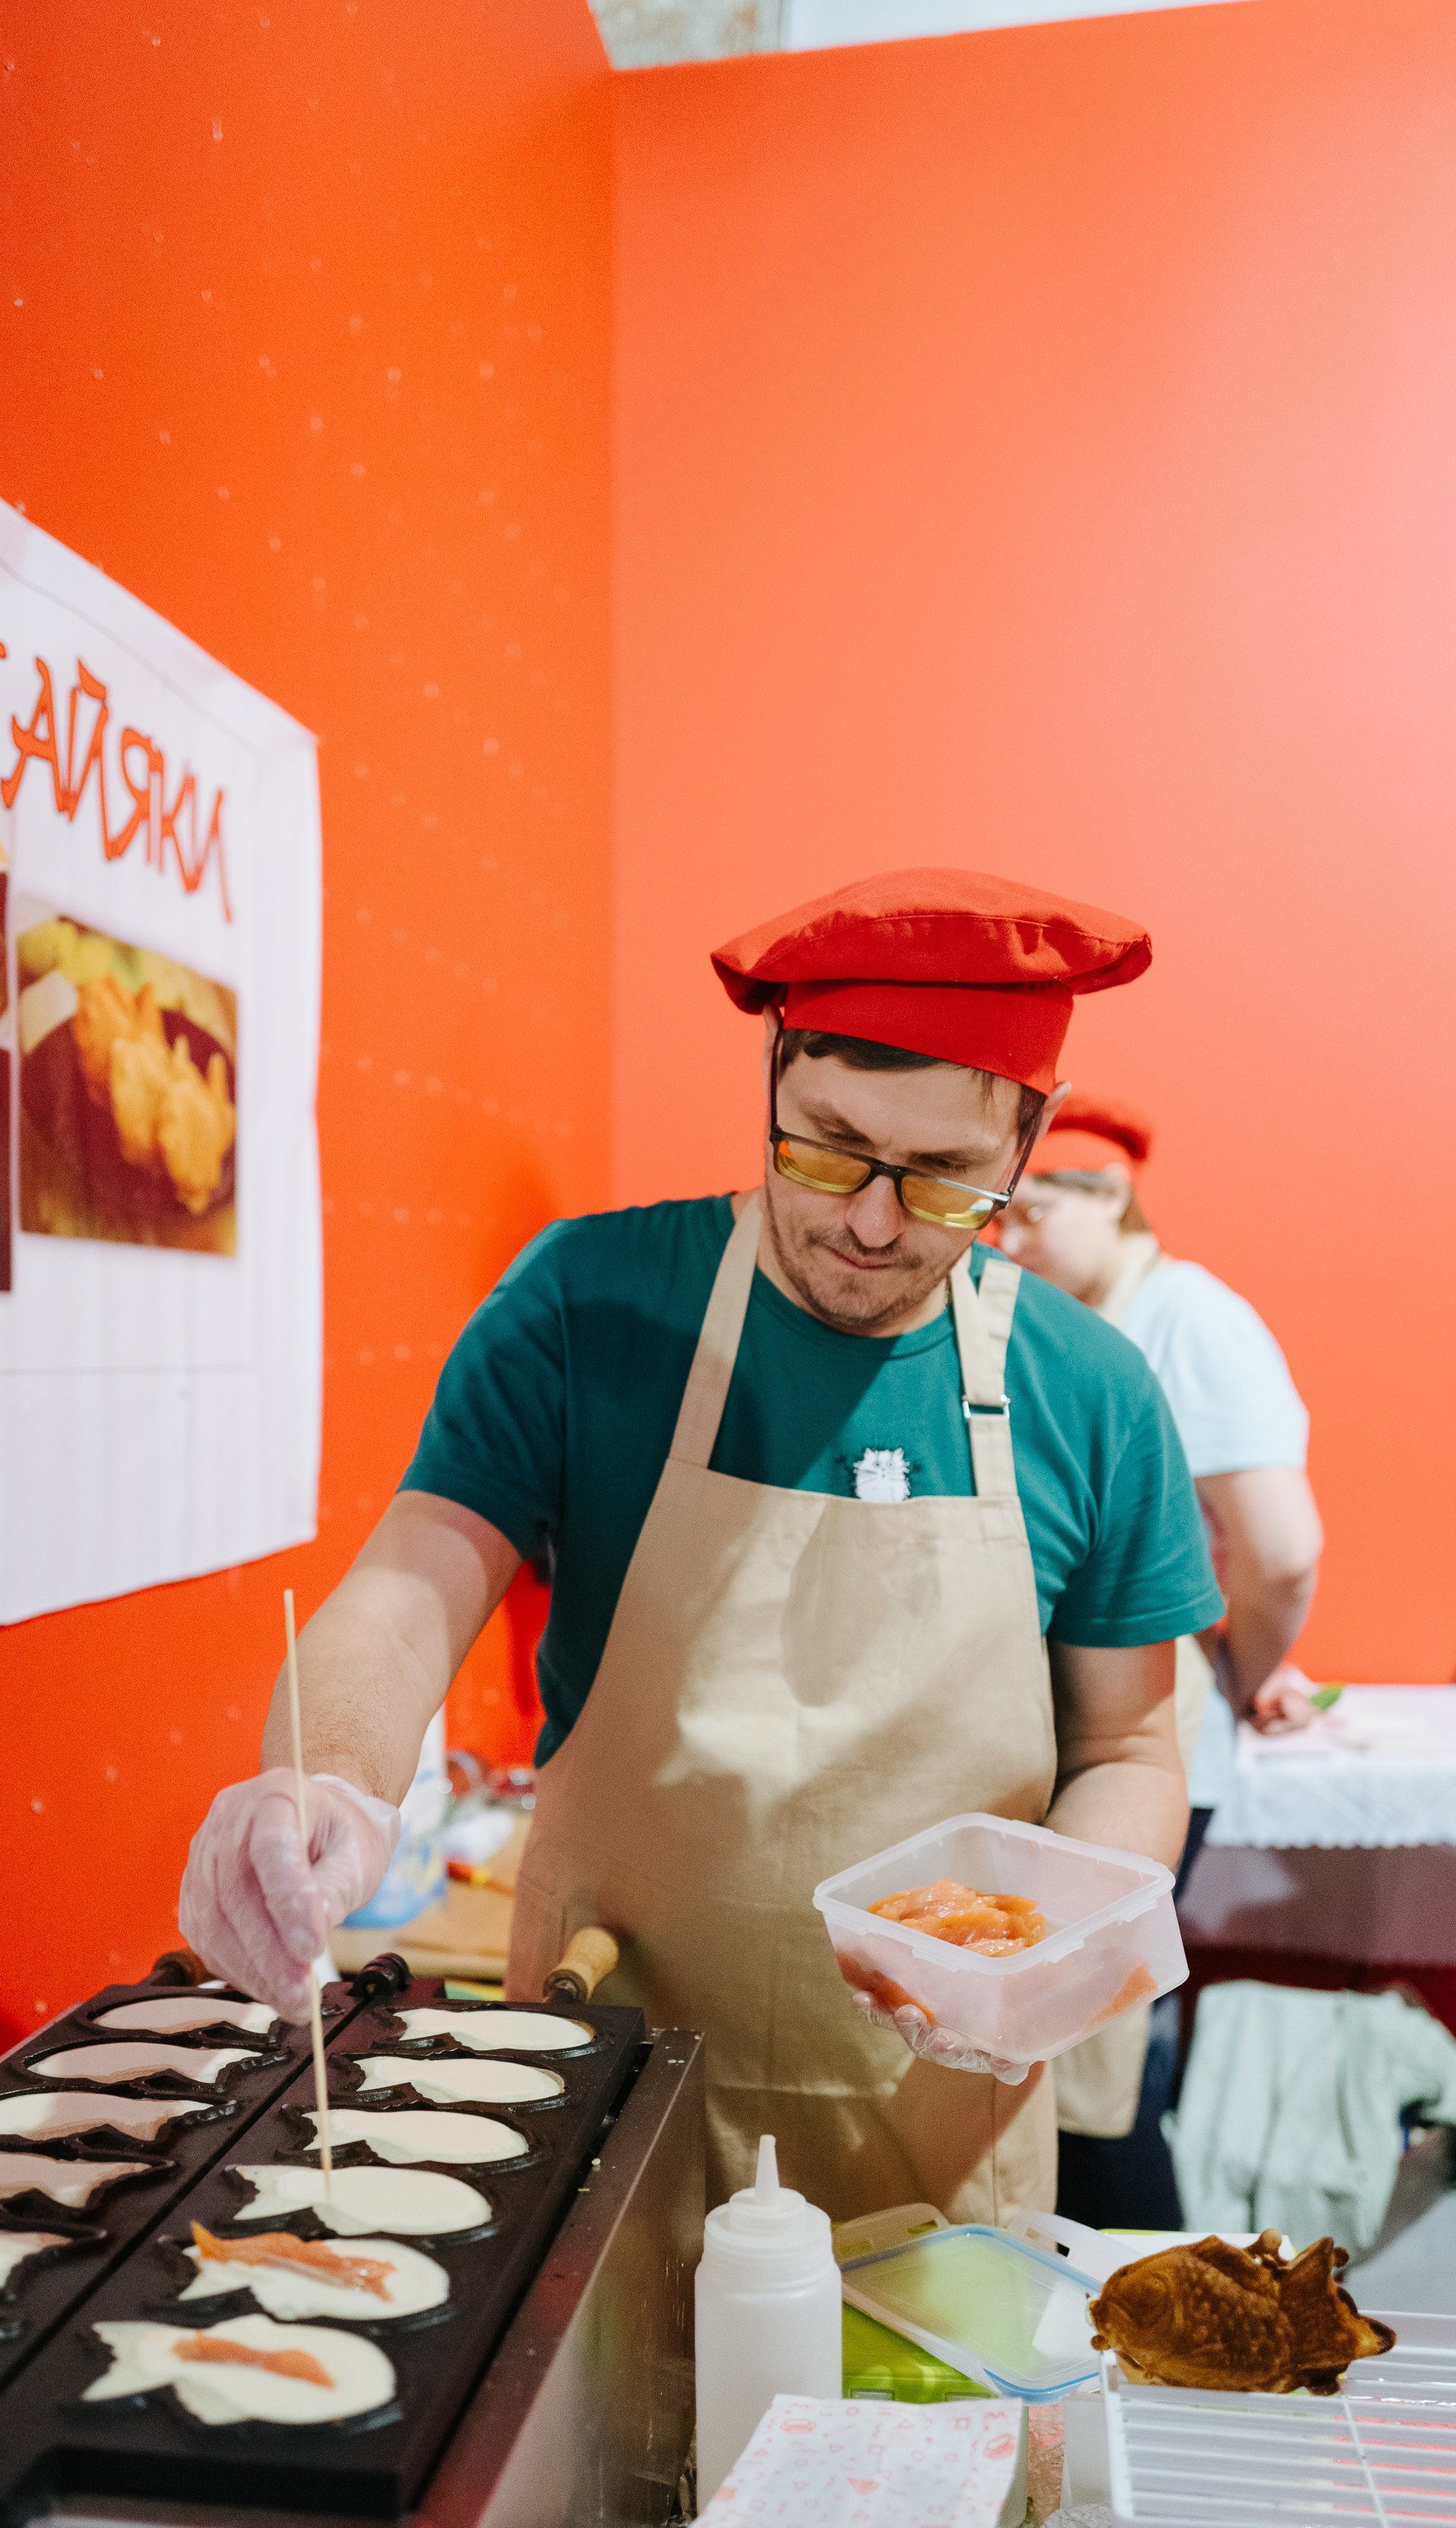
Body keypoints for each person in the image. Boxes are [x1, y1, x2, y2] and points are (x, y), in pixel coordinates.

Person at [181, 870, 1223, 2223]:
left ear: (1029, 1142)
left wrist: (1041, 1949)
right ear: (777, 1072)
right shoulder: (589, 1306)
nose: (868, 1221)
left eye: (947, 1182)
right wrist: (324, 1783)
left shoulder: (1090, 1390)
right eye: (828, 1145)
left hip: (934, 2140)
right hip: (601, 2097)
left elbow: (1133, 1751)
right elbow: (406, 1588)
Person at [998, 1098, 1322, 2226]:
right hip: (1100, 1699)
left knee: (1092, 2053)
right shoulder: (1099, 1318)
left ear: (1109, 1197)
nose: (1009, 1240)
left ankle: (1153, 2311)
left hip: (1153, 1717)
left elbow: (1281, 1549)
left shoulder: (1190, 1320)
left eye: (1032, 1210)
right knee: (1076, 2044)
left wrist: (1232, 1660)